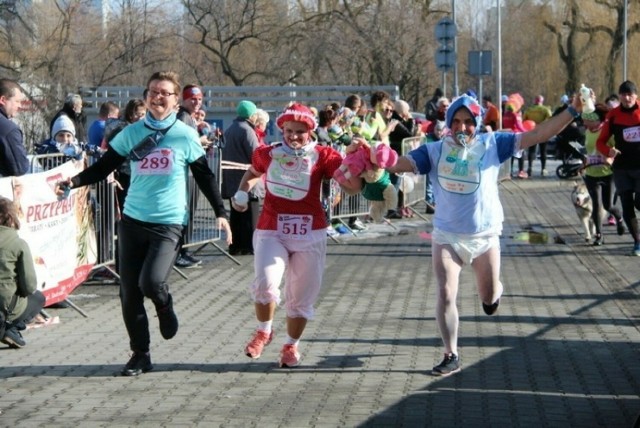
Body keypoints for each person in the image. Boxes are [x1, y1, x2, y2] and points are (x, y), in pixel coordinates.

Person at [385, 93, 587, 376]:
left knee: (489, 297)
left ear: (477, 123)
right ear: (448, 123)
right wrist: (376, 156)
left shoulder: (493, 144)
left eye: (468, 122)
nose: (462, 127)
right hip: (447, 236)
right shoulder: (434, 150)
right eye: (455, 121)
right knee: (445, 292)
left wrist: (572, 111)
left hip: (485, 237)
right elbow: (399, 163)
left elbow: (540, 133)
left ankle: (494, 295)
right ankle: (450, 353)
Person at [55, 71, 231, 376]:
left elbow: (204, 175)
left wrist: (221, 213)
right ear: (146, 96)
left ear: (176, 101)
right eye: (153, 92)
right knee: (129, 293)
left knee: (151, 282)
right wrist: (74, 181)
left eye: (164, 93)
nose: (157, 97)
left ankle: (164, 304)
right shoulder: (131, 133)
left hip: (168, 223)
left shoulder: (185, 135)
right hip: (133, 220)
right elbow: (104, 167)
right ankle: (140, 353)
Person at [232, 103, 362, 367]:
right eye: (288, 130)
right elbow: (252, 173)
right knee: (266, 284)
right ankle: (264, 332)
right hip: (272, 229)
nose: (293, 136)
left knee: (301, 298)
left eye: (299, 131)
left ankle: (291, 346)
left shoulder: (324, 156)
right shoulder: (267, 154)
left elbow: (352, 189)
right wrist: (242, 192)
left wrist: (356, 161)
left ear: (310, 131)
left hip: (310, 232)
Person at [596, 80, 640, 256]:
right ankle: (637, 242)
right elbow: (600, 141)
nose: (627, 98)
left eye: (630, 94)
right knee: (627, 205)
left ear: (636, 95)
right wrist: (609, 151)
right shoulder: (613, 115)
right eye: (623, 94)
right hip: (622, 168)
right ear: (620, 96)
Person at [0, 196, 46, 348]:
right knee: (38, 298)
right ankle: (10, 328)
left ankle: (8, 329)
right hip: (6, 306)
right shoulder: (18, 244)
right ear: (11, 217)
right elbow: (29, 286)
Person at [175, 84, 209, 268]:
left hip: (190, 172)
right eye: (193, 99)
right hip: (184, 174)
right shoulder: (182, 117)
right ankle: (180, 252)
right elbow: (181, 142)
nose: (197, 103)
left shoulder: (189, 117)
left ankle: (185, 250)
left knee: (190, 214)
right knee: (185, 213)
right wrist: (200, 140)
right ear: (184, 100)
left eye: (200, 100)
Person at [221, 100, 260, 256]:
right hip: (247, 181)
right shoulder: (247, 131)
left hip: (231, 180)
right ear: (251, 115)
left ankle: (235, 245)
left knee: (236, 215)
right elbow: (257, 156)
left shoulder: (231, 129)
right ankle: (250, 246)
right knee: (251, 215)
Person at [582, 103, 624, 246]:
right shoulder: (587, 132)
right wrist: (584, 163)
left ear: (597, 120)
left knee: (608, 206)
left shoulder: (607, 132)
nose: (584, 123)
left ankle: (619, 218)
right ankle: (599, 235)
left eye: (587, 120)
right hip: (591, 174)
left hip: (607, 174)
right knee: (596, 204)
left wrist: (610, 158)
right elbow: (589, 151)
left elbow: (615, 150)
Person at [0, 78, 29, 178]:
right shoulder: (8, 130)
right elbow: (20, 167)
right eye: (17, 101)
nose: (20, 105)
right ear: (3, 100)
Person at [523, 95, 553, 176]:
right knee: (543, 150)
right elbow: (550, 119)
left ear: (534, 101)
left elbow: (524, 120)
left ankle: (530, 167)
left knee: (531, 150)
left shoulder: (529, 110)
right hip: (543, 131)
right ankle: (543, 169)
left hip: (532, 131)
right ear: (542, 101)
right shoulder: (546, 109)